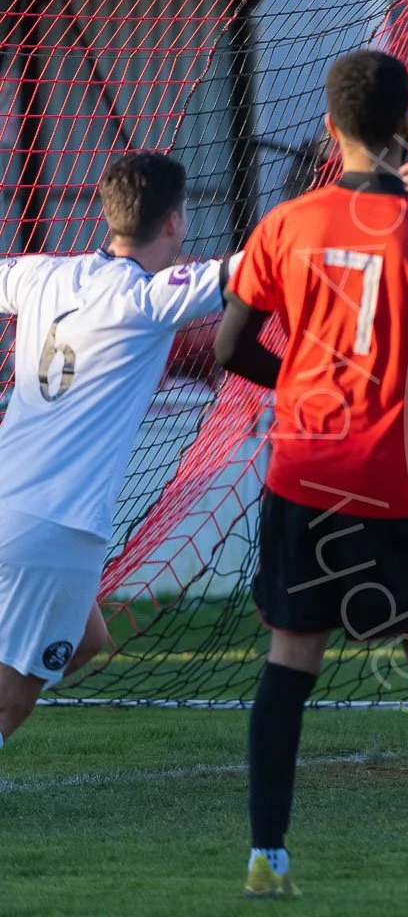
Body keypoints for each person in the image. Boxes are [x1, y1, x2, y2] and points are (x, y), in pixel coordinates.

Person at [215, 50, 408, 898]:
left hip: (305, 469)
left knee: (290, 658)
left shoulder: (285, 224)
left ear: (329, 128)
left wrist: (304, 386)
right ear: (407, 123)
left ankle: (267, 860)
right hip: (400, 477)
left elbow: (234, 347)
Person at [0, 153, 237, 751]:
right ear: (175, 224)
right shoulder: (149, 298)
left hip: (11, 500)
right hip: (56, 529)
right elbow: (260, 265)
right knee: (6, 710)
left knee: (87, 641)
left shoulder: (40, 274)